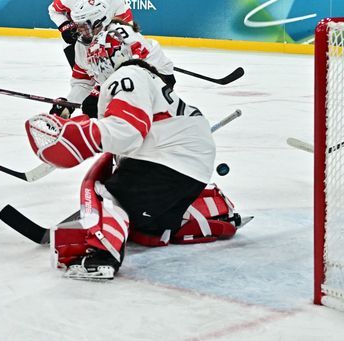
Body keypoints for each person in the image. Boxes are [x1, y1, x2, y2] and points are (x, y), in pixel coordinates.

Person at [25, 30, 245, 280]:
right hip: (189, 167)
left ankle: (103, 255)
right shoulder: (146, 75)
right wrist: (96, 110)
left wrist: (82, 135)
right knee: (146, 230)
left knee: (105, 194)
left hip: (168, 161)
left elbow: (127, 130)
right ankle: (214, 212)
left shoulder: (126, 76)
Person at [49, 0, 173, 119]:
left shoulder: (119, 35)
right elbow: (83, 82)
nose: (79, 31)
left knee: (96, 106)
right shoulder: (82, 45)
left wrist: (99, 93)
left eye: (83, 26)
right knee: (93, 106)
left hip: (159, 77)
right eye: (77, 25)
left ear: (99, 22)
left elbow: (136, 75)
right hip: (127, 80)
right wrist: (68, 104)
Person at [48, 0, 133, 69]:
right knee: (81, 81)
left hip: (104, 45)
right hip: (77, 44)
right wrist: (65, 27)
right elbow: (53, 9)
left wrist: (114, 38)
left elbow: (127, 23)